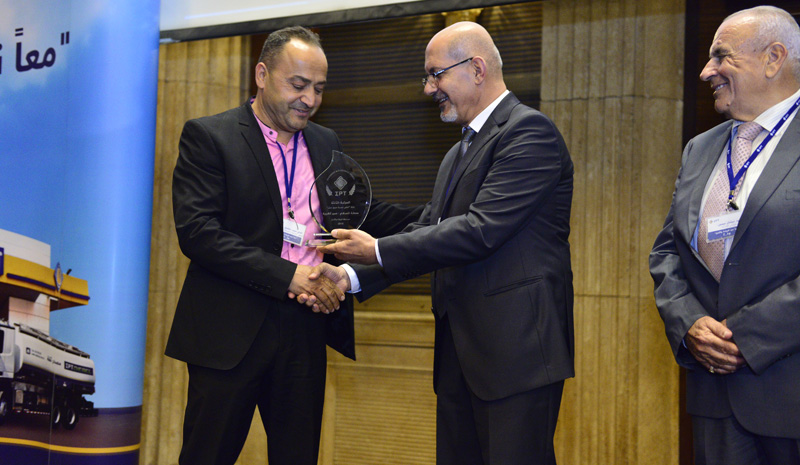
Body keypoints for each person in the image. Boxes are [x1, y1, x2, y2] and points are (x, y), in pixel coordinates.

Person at [300, 21, 574, 465]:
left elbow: (480, 230)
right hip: (460, 358)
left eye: (435, 74)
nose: (428, 89)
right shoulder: (457, 152)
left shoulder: (528, 132)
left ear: (477, 68)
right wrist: (349, 275)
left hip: (516, 355)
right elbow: (429, 228)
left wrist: (375, 249)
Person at [166, 26, 420, 465]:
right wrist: (290, 276)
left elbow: (360, 211)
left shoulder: (325, 141)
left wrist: (440, 216)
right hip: (230, 329)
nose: (309, 99)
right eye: (298, 84)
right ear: (262, 75)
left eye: (319, 88)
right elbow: (199, 232)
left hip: (306, 326)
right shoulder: (210, 136)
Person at [650, 6, 800, 464]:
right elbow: (667, 252)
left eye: (721, 56)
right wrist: (689, 323)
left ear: (774, 58)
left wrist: (741, 338)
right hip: (713, 398)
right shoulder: (700, 148)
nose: (705, 71)